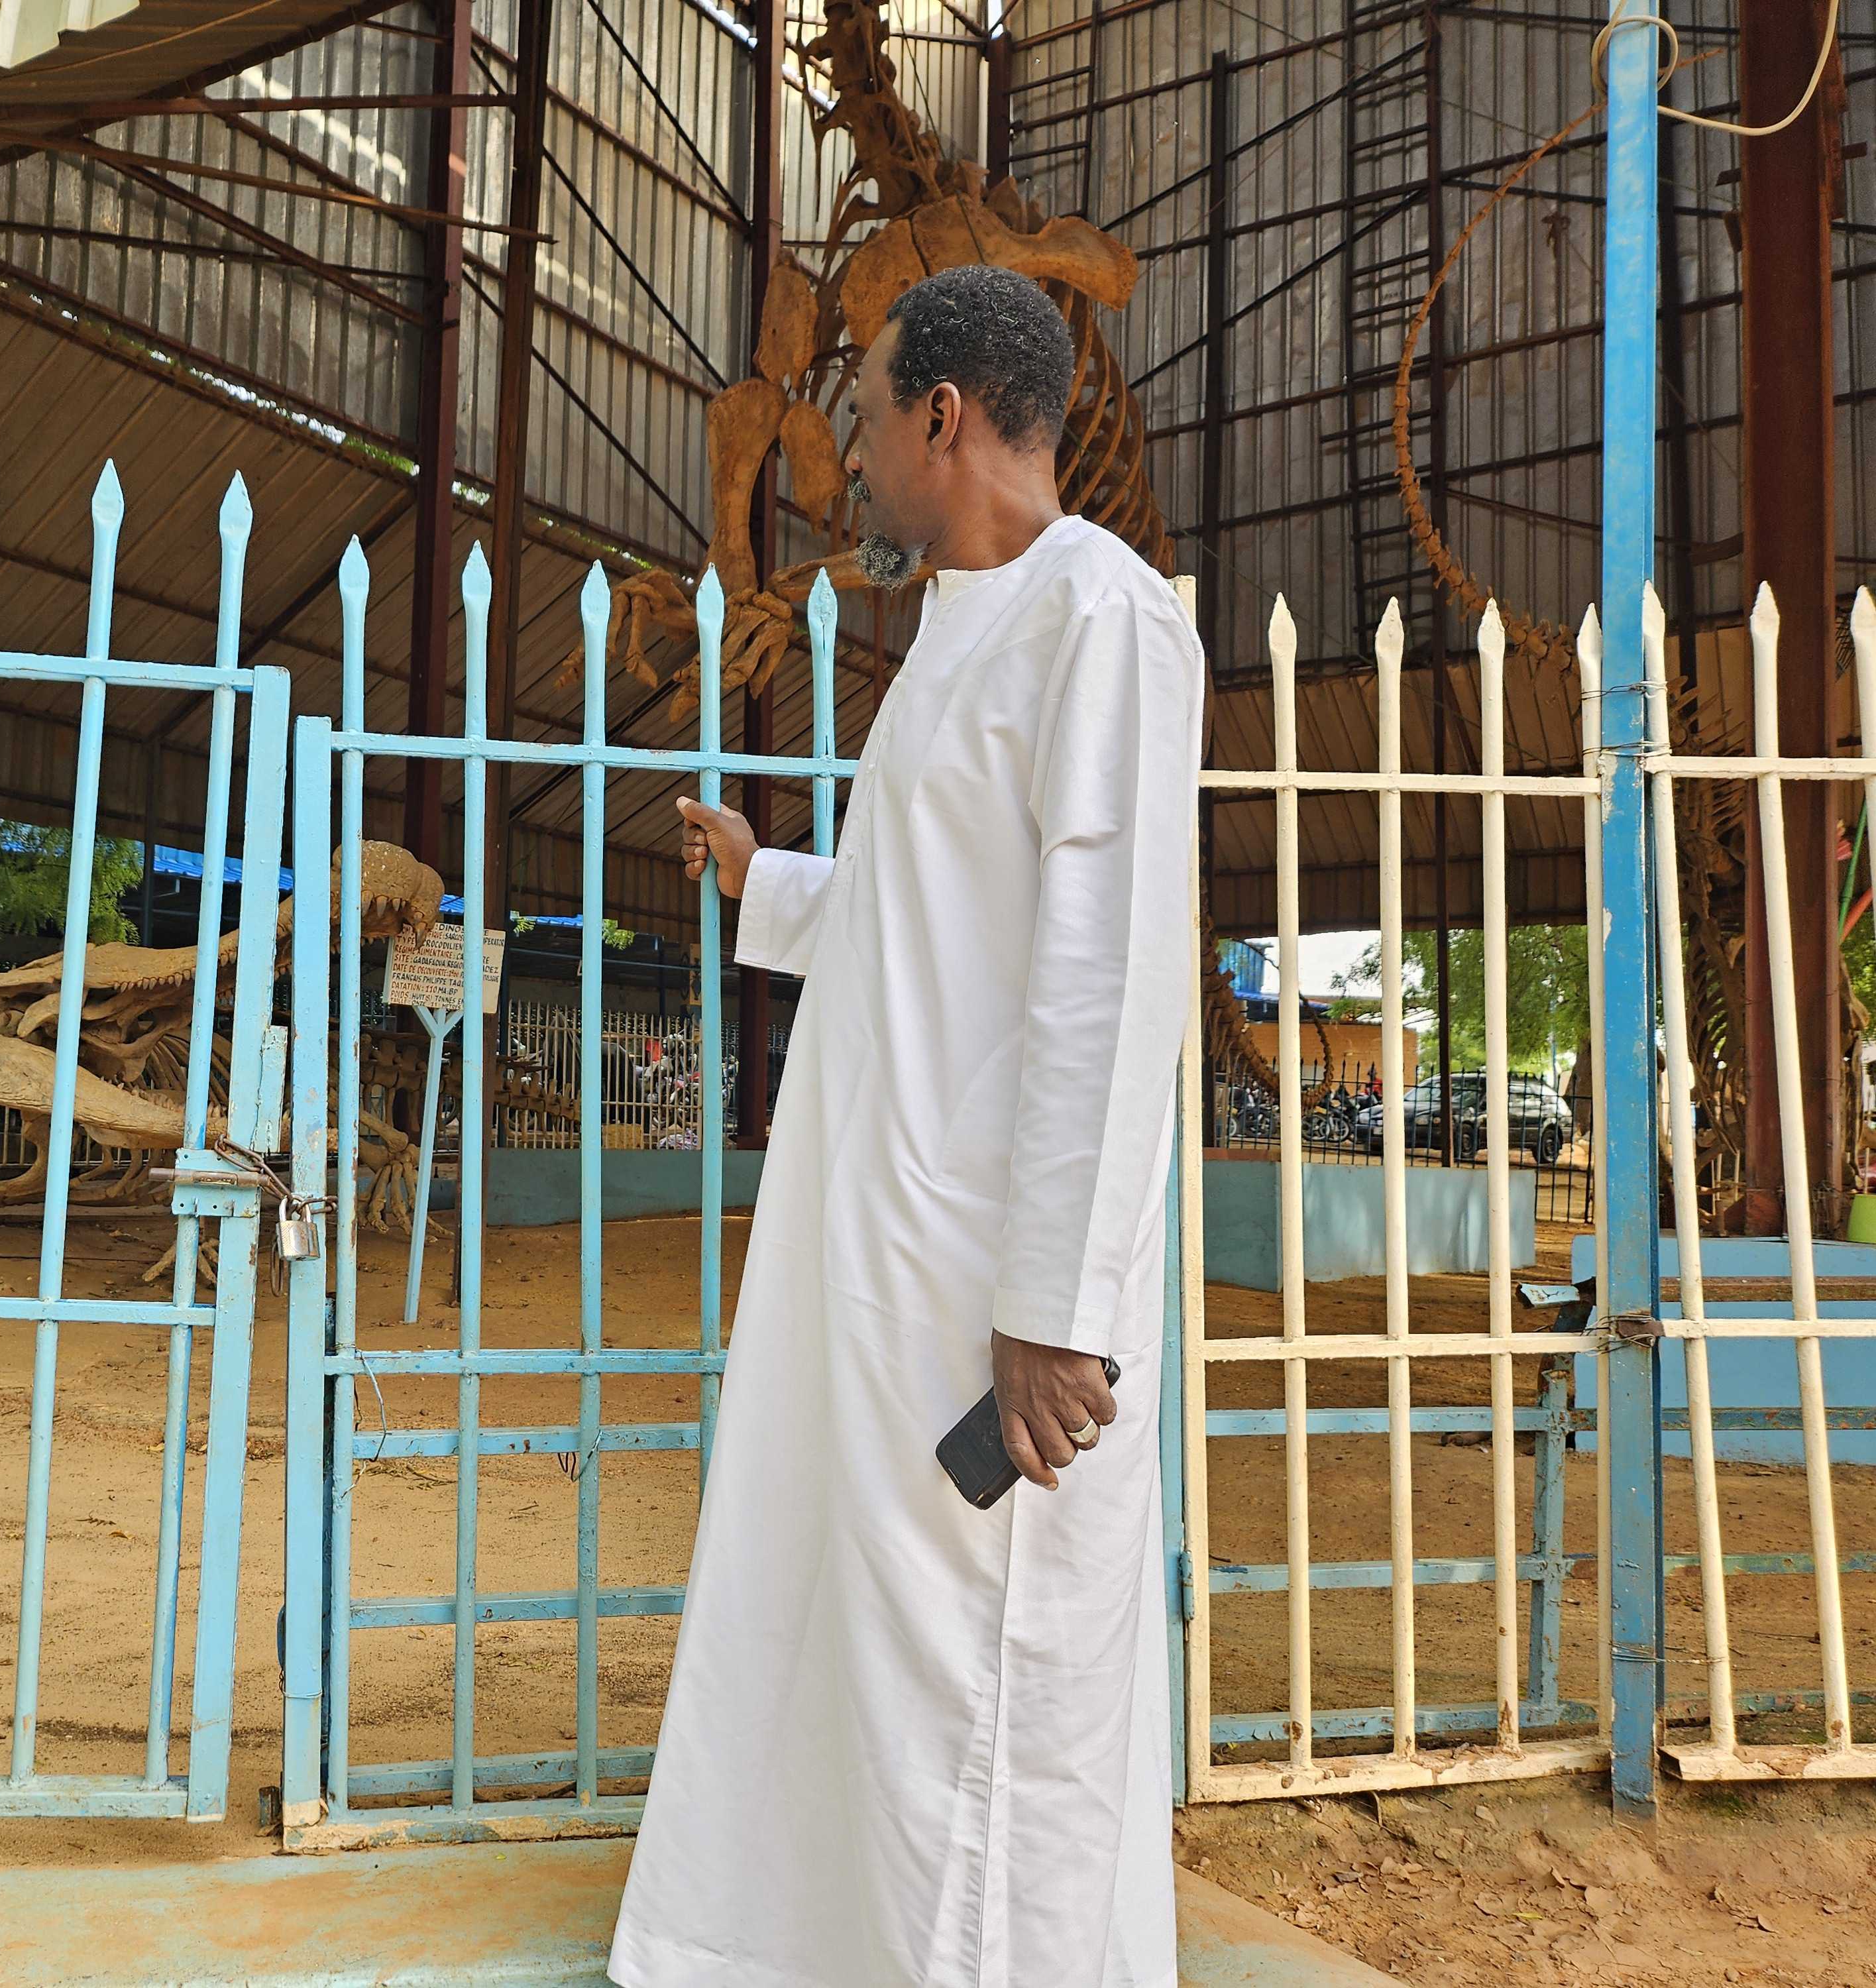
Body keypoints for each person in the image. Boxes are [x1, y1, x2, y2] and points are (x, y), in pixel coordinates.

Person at [609, 265, 1204, 1988]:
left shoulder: (1103, 617)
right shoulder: (956, 627)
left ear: (944, 415)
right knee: (884, 1652)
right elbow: (922, 911)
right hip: (894, 1264)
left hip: (996, 1301)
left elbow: (1105, 970)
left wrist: (1055, 1308)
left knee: (991, 1687)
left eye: (864, 415)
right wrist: (769, 883)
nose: (848, 456)